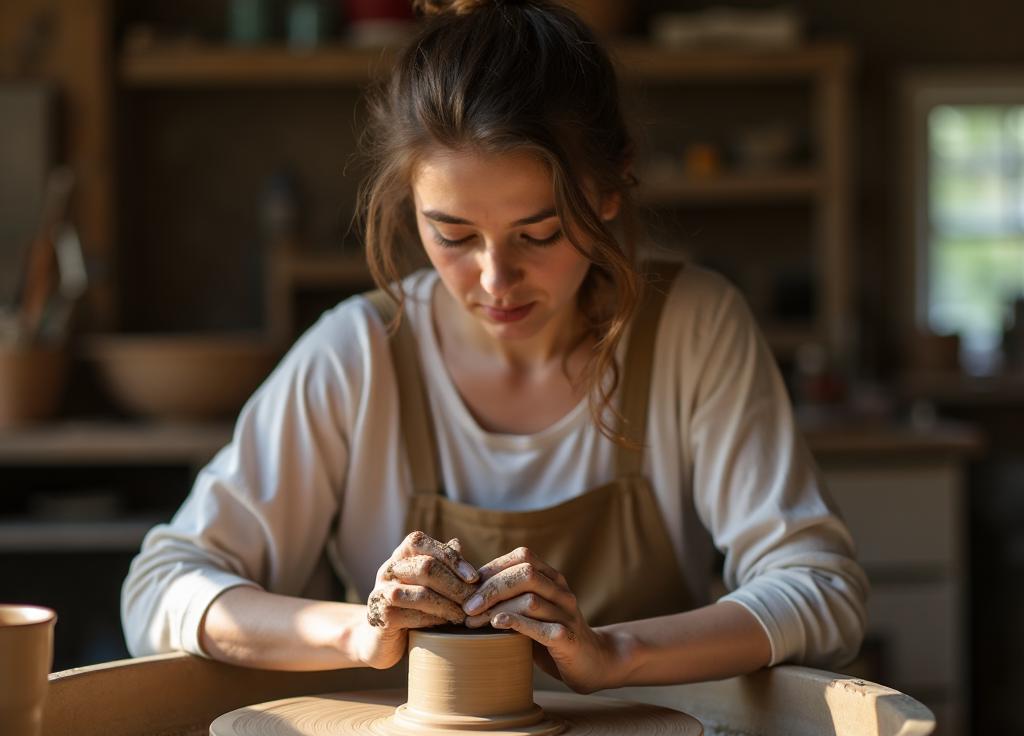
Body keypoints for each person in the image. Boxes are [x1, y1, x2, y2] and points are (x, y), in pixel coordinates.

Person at [121, 0, 867, 694]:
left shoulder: (693, 330)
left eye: (538, 233)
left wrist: (613, 653)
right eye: (451, 234)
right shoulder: (359, 355)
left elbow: (821, 588)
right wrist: (358, 632)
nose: (494, 278)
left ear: (609, 190)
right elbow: (161, 587)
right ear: (409, 209)